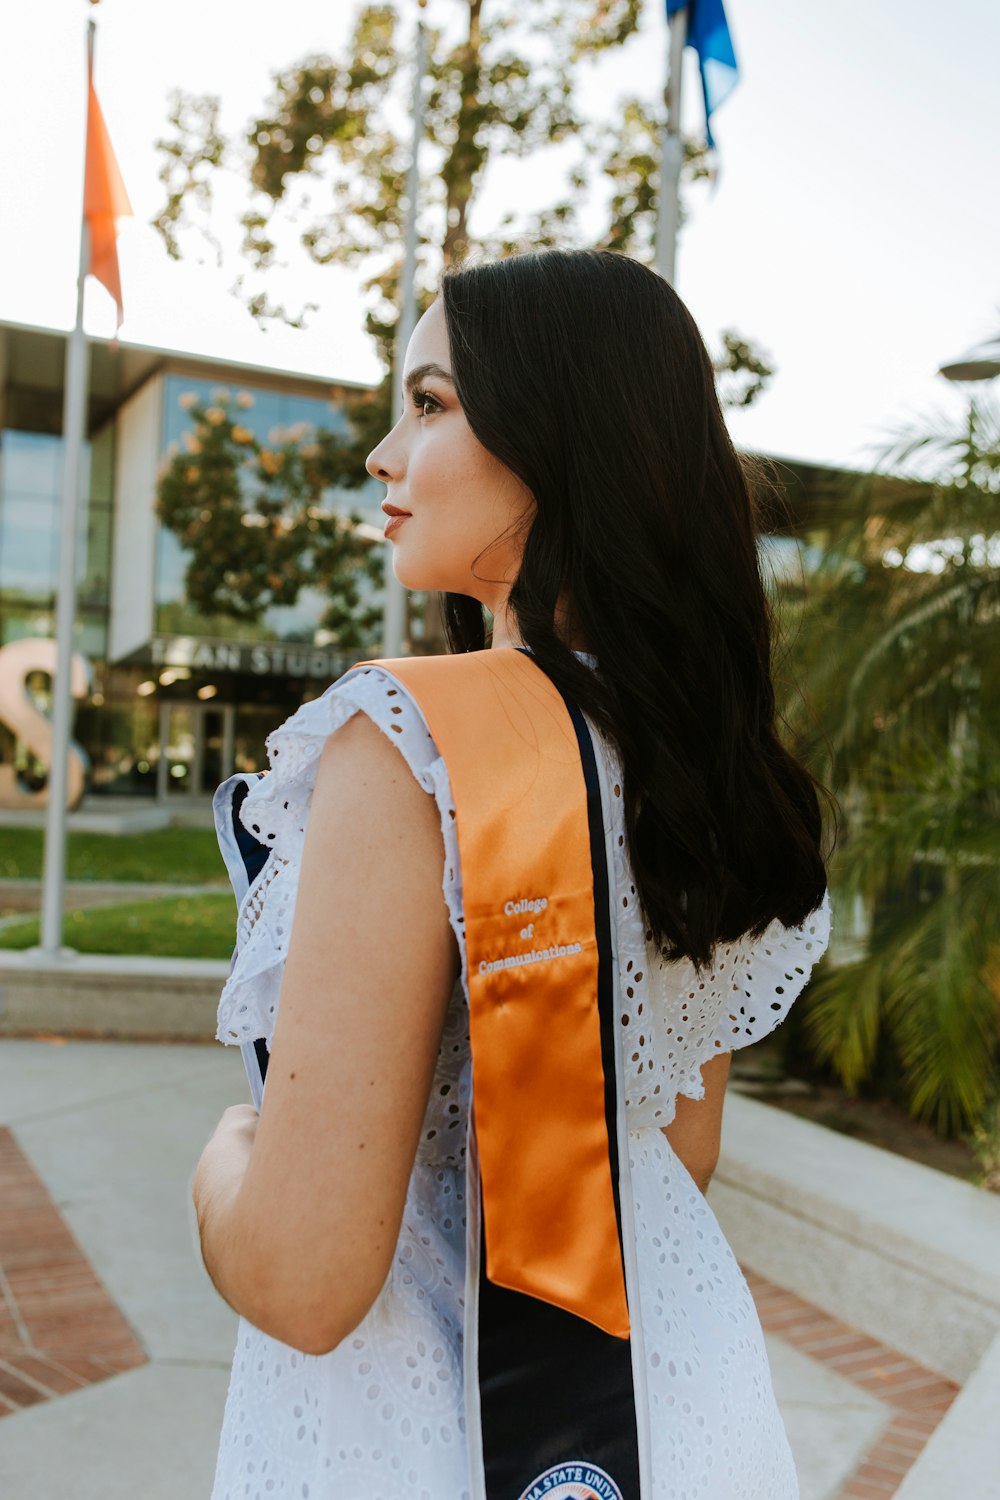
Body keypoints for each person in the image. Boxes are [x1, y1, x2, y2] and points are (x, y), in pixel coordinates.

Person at [193, 247, 832, 1500]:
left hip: (423, 1422)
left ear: (558, 441)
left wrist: (227, 1158)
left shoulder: (410, 744)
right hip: (677, 1398)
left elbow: (304, 1279)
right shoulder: (700, 753)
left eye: (429, 406)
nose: (382, 455)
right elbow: (678, 1150)